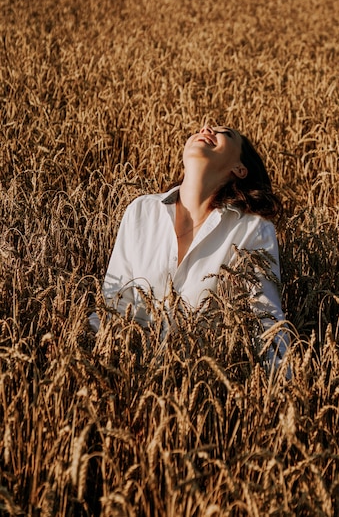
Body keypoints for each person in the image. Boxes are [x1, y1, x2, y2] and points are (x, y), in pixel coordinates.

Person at [90, 124, 288, 364]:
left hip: (204, 384)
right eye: (205, 127)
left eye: (225, 133)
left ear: (240, 169)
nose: (206, 128)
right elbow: (114, 305)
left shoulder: (251, 229)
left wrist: (281, 392)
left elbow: (265, 321)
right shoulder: (141, 212)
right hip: (132, 378)